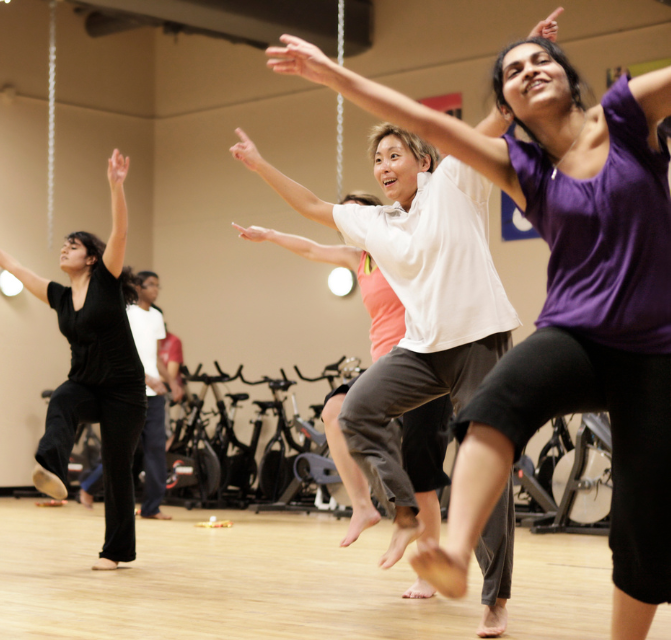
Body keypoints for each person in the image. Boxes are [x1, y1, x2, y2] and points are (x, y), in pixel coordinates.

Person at [264, 18, 671, 640]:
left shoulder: (619, 118)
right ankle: (448, 550)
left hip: (652, 348)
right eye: (513, 70)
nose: (530, 70)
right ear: (505, 102)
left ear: (568, 72)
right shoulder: (522, 168)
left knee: (641, 531)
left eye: (542, 60)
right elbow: (419, 129)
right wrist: (331, 75)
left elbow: (435, 132)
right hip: (572, 334)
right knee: (491, 408)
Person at [232, 192, 454, 600]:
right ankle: (363, 506)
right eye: (345, 217)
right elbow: (312, 248)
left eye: (358, 213)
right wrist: (270, 234)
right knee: (335, 410)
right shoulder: (360, 258)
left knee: (423, 482)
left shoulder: (405, 248)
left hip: (426, 366)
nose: (351, 223)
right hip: (385, 372)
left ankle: (428, 574)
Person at [0, 149, 144, 571]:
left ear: (90, 258)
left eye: (73, 246)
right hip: (86, 384)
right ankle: (53, 469)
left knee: (117, 469)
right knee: (62, 398)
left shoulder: (106, 281)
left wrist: (116, 186)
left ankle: (115, 553)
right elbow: (15, 266)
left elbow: (120, 233)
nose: (64, 250)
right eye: (63, 245)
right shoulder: (59, 296)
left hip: (124, 391)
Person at [79, 272, 183, 520]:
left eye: (159, 285)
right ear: (138, 287)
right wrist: (146, 378)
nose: (156, 289)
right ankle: (89, 486)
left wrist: (173, 382)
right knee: (124, 448)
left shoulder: (157, 316)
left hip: (155, 396)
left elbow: (156, 357)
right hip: (128, 391)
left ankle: (152, 507)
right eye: (151, 285)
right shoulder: (126, 312)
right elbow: (120, 353)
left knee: (156, 449)